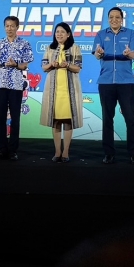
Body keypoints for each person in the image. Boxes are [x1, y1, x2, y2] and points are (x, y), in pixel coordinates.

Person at [92, 6, 134, 164]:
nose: (114, 20)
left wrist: (129, 54)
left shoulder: (130, 33)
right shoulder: (101, 34)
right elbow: (96, 54)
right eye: (111, 17)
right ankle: (108, 153)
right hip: (106, 82)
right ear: (108, 19)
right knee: (107, 119)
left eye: (117, 17)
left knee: (130, 118)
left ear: (122, 19)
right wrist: (99, 53)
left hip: (126, 82)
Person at [0, 15, 34, 161]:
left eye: (12, 26)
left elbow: (25, 65)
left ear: (17, 27)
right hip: (1, 84)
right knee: (1, 117)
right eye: (7, 26)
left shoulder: (24, 44)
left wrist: (16, 64)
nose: (9, 28)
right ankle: (2, 149)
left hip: (16, 85)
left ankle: (13, 150)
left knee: (15, 118)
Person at [40, 22, 83, 162]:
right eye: (57, 32)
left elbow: (78, 68)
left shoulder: (75, 48)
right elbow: (44, 67)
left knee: (68, 121)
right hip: (54, 90)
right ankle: (57, 151)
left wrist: (68, 65)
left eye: (62, 32)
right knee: (56, 121)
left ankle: (66, 152)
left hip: (69, 90)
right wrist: (51, 64)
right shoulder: (50, 48)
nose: (59, 34)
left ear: (68, 34)